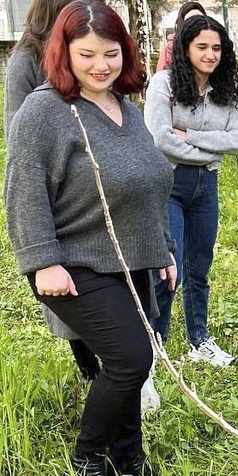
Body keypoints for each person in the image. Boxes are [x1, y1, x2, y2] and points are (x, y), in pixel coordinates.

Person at [4, 1, 177, 474]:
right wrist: (43, 262)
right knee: (131, 358)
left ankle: (128, 456)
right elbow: (23, 193)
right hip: (73, 263)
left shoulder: (127, 109)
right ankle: (87, 458)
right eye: (87, 54)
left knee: (127, 363)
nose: (102, 65)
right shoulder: (44, 111)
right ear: (64, 53)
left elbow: (151, 183)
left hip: (128, 259)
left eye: (112, 53)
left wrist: (163, 246)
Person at [2, 0, 102, 384]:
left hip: (102, 192)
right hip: (61, 199)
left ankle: (122, 366)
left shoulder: (93, 50)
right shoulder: (26, 60)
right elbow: (20, 145)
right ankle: (90, 371)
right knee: (71, 290)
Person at [145, 15, 238, 367]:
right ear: (186, 48)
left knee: (200, 266)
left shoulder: (227, 91)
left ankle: (199, 340)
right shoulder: (163, 85)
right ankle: (155, 346)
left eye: (217, 48)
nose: (210, 54)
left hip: (206, 185)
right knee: (169, 268)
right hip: (168, 184)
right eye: (202, 47)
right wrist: (211, 148)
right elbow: (161, 139)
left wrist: (194, 139)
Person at [155, 1, 205, 73]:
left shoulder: (212, 45)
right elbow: (160, 76)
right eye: (190, 20)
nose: (195, 24)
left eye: (199, 20)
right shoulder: (169, 49)